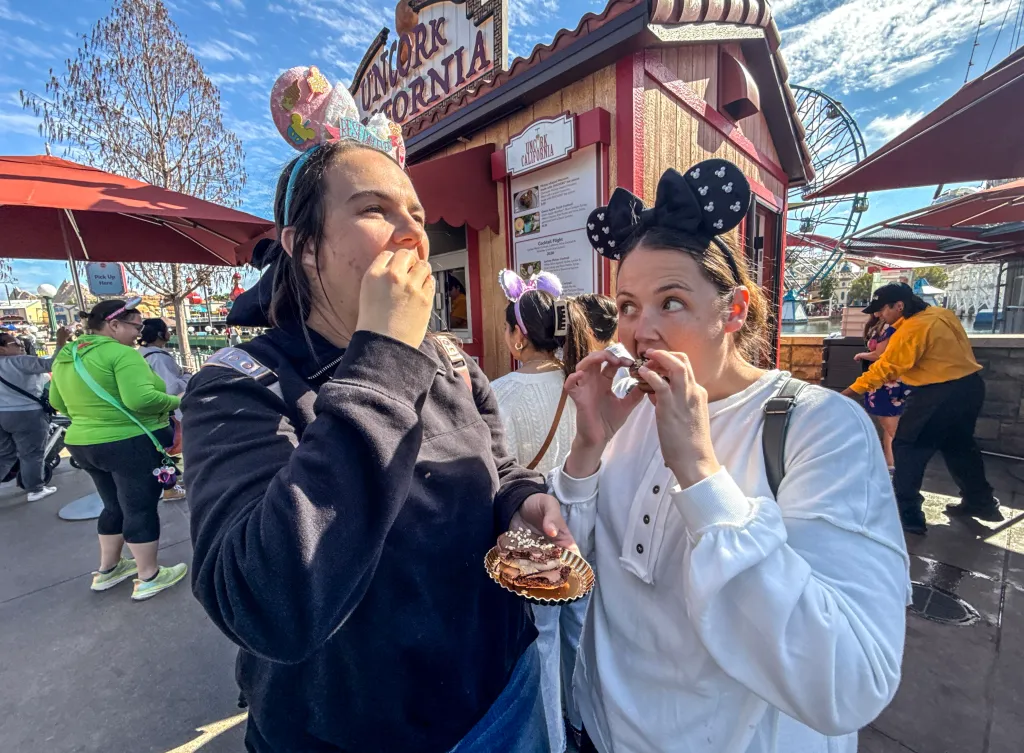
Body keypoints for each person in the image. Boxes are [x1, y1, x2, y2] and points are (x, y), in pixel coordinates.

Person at [182, 90, 573, 753]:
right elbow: (266, 604)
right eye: (374, 209)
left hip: (503, 699)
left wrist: (520, 499)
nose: (413, 232)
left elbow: (498, 466)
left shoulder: (450, 359)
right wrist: (384, 352)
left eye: (416, 213)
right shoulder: (239, 384)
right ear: (304, 246)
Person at [553, 162, 909, 753]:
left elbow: (852, 679)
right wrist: (588, 448)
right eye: (628, 306)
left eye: (671, 302)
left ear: (735, 309)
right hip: (598, 731)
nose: (641, 332)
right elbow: (576, 567)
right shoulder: (629, 412)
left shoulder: (820, 427)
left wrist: (698, 471)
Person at [491, 270, 592, 753]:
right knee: (581, 636)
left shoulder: (499, 394)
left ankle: (553, 739)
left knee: (543, 641)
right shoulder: (582, 385)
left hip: (532, 533)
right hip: (584, 525)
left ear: (518, 335)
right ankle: (584, 724)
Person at [49, 299, 187, 601]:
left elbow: (57, 402)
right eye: (136, 326)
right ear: (114, 325)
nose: (139, 333)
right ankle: (149, 575)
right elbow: (141, 400)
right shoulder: (122, 354)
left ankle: (108, 569)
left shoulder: (67, 355)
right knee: (139, 507)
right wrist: (179, 401)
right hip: (129, 443)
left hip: (83, 443)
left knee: (113, 505)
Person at [842, 283, 1001, 534]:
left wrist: (846, 394)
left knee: (908, 447)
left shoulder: (913, 329)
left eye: (882, 309)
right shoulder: (942, 314)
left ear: (899, 306)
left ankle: (908, 516)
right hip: (970, 387)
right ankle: (982, 503)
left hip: (936, 393)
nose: (879, 315)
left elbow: (886, 368)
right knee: (959, 446)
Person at [0, 326, 71, 501]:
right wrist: (60, 341)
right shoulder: (21, 361)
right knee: (32, 454)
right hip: (27, 414)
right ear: (2, 349)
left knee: (6, 455)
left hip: (2, 414)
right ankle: (35, 489)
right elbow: (53, 364)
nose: (21, 346)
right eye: (15, 343)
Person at [138, 317, 189, 501]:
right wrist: (187, 377)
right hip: (168, 409)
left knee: (161, 450)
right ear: (161, 334)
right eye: (167, 330)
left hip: (153, 411)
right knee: (172, 448)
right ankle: (171, 486)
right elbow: (172, 387)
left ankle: (171, 482)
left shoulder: (141, 353)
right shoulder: (158, 357)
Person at [854, 312, 909, 471]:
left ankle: (903, 466)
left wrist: (861, 355)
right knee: (888, 426)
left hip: (886, 382)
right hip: (884, 379)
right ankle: (891, 463)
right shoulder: (884, 326)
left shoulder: (890, 329)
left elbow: (880, 354)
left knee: (892, 427)